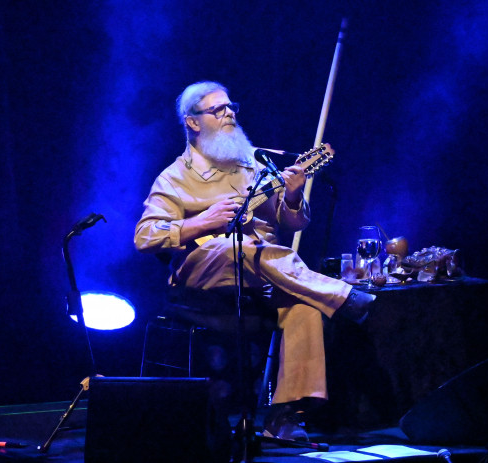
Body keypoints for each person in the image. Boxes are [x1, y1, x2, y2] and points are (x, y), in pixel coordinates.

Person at [134, 81, 375, 441]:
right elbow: (145, 236)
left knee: (304, 307)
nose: (229, 113)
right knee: (235, 246)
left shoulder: (252, 166)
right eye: (218, 109)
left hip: (260, 276)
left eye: (231, 107)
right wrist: (202, 222)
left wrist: (292, 195)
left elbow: (293, 222)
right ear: (193, 122)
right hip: (203, 277)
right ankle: (338, 293)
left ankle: (284, 416)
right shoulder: (174, 177)